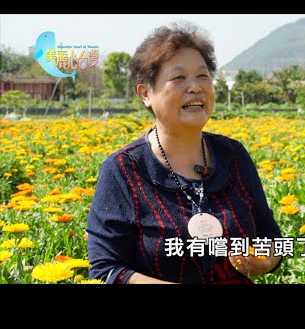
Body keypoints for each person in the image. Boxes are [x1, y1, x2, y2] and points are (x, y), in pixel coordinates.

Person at [86, 22, 283, 284]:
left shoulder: (234, 156)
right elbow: (106, 270)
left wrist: (266, 259)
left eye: (203, 76)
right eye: (179, 78)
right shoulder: (123, 170)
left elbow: (271, 238)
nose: (195, 87)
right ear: (145, 93)